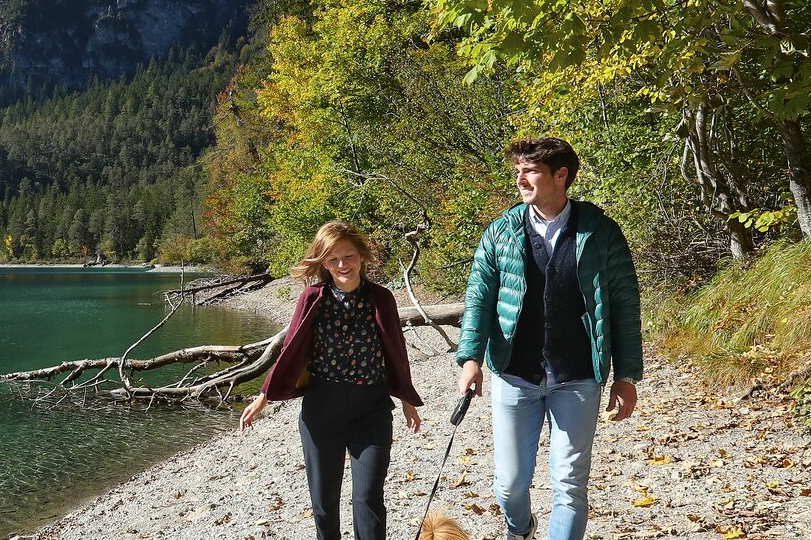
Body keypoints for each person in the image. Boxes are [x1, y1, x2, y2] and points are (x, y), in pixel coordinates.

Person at [454, 137, 643, 540]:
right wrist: (470, 358)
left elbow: (625, 305)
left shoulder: (601, 232)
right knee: (509, 485)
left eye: (531, 171)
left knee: (570, 486)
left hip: (577, 377)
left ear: (561, 175)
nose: (520, 179)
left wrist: (626, 375)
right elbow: (479, 298)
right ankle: (520, 529)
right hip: (515, 375)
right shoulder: (501, 232)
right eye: (517, 170)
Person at [240, 221, 424, 540]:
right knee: (324, 504)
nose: (343, 265)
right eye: (333, 258)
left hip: (372, 411)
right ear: (323, 262)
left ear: (361, 257)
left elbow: (396, 352)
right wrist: (263, 396)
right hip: (322, 410)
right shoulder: (313, 298)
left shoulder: (382, 299)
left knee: (368, 499)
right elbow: (290, 349)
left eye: (349, 256)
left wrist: (407, 401)